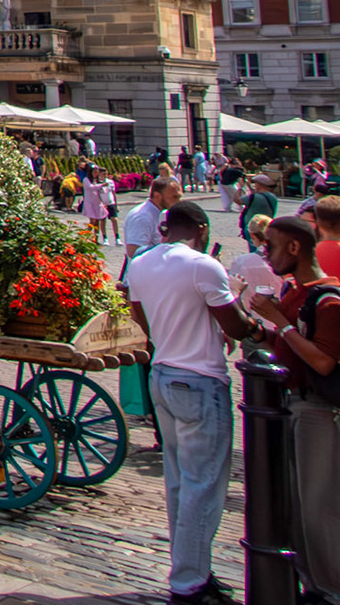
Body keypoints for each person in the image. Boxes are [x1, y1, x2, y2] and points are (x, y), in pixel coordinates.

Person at [124, 201, 250, 605]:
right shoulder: (202, 266)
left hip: (163, 373)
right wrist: (252, 316)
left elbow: (139, 318)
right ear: (202, 227)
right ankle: (189, 581)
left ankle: (193, 568)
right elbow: (237, 325)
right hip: (200, 378)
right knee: (204, 484)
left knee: (179, 481)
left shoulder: (140, 264)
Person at [246, 214, 340, 604]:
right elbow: (287, 340)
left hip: (319, 408)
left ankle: (331, 589)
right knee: (299, 508)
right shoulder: (295, 290)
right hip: (293, 405)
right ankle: (313, 583)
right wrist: (255, 325)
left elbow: (322, 361)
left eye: (271, 245)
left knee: (319, 507)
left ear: (295, 248)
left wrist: (278, 322)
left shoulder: (329, 298)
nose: (265, 253)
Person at [226, 215, 285, 304]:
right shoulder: (285, 259)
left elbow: (232, 287)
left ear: (252, 235)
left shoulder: (241, 261)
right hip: (279, 311)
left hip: (249, 311)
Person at [241, 173, 280, 243]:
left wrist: (240, 188)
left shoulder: (255, 197)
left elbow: (237, 200)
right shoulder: (272, 197)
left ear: (259, 184)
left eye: (255, 183)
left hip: (253, 226)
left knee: (254, 248)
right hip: (266, 225)